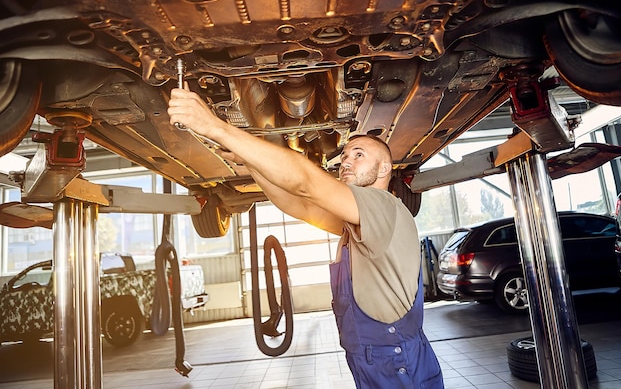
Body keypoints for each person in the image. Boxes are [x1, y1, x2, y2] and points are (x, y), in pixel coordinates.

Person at [167, 87, 444, 388]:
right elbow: (298, 205)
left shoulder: (383, 206)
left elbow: (306, 183)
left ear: (385, 168)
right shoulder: (358, 221)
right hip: (379, 359)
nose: (345, 162)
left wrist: (215, 127)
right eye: (346, 155)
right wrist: (251, 165)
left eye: (359, 155)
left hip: (397, 362)